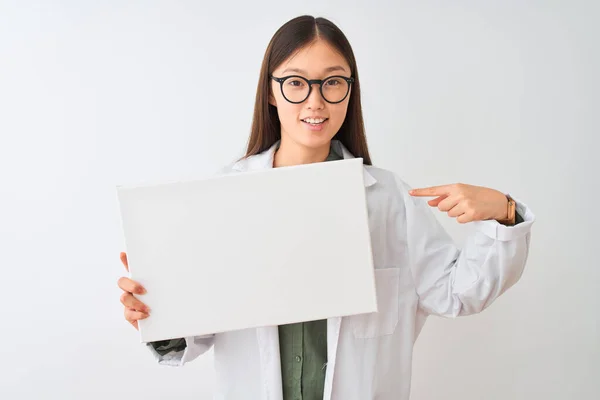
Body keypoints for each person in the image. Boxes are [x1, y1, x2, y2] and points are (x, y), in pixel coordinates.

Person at [117, 15, 535, 400]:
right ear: (271, 91)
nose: (315, 102)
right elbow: (202, 326)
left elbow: (455, 295)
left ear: (349, 91)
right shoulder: (225, 196)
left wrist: (503, 210)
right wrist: (157, 315)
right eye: (296, 83)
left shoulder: (388, 199)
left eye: (332, 83)